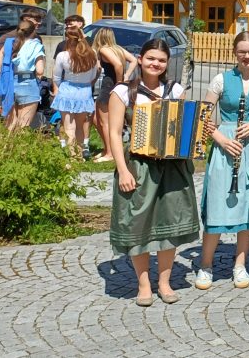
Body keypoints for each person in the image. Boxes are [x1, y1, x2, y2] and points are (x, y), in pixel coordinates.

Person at [107, 39, 197, 306]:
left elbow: (184, 127)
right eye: (151, 59)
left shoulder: (176, 90)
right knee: (138, 224)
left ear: (167, 63)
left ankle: (165, 283)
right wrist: (123, 170)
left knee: (169, 223)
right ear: (140, 58)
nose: (155, 64)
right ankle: (143, 284)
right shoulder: (123, 92)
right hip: (138, 165)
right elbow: (113, 133)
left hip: (171, 166)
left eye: (161, 60)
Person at [195, 31, 249, 291]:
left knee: (247, 209)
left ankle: (240, 265)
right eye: (242, 52)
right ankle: (205, 265)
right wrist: (220, 139)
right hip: (225, 143)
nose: (247, 56)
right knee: (217, 203)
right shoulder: (221, 79)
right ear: (235, 53)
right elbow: (203, 115)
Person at [52, 27, 100, 160]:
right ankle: (80, 154)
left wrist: (58, 86)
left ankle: (71, 154)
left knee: (68, 126)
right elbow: (93, 75)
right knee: (80, 125)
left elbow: (56, 77)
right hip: (84, 91)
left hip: (67, 89)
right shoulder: (92, 54)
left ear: (67, 38)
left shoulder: (63, 55)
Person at [93, 28, 136, 162]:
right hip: (113, 84)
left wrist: (119, 82)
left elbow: (117, 65)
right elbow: (134, 60)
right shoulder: (118, 49)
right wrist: (127, 75)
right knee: (97, 117)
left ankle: (110, 153)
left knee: (104, 121)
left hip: (109, 84)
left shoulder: (103, 50)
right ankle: (107, 148)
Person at [0, 19, 46, 132]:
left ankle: (5, 148)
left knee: (9, 124)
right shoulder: (36, 45)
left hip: (9, 85)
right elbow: (40, 70)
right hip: (28, 84)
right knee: (23, 126)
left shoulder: (9, 44)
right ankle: (19, 149)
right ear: (33, 32)